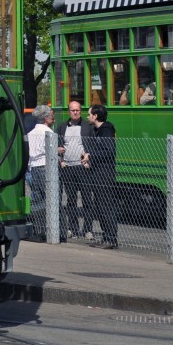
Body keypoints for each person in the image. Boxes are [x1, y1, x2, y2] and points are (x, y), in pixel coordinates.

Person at [83, 103, 118, 249]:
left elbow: (109, 151)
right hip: (97, 172)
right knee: (99, 206)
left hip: (105, 174)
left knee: (105, 206)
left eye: (89, 114)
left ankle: (111, 238)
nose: (87, 116)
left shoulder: (106, 130)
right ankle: (106, 236)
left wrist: (91, 155)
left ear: (95, 116)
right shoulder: (97, 130)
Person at [56, 100, 93, 239]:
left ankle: (87, 230)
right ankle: (72, 228)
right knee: (71, 200)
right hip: (68, 168)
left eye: (77, 110)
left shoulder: (87, 126)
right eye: (73, 110)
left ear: (80, 111)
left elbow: (93, 145)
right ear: (69, 112)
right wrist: (61, 160)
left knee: (87, 199)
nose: (75, 112)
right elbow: (57, 145)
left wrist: (89, 160)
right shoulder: (61, 127)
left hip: (83, 167)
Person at [26, 104, 56, 241]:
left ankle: (37, 228)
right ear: (45, 118)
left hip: (32, 168)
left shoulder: (30, 133)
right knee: (50, 198)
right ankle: (52, 230)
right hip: (44, 167)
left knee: (36, 198)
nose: (53, 118)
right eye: (51, 116)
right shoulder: (49, 133)